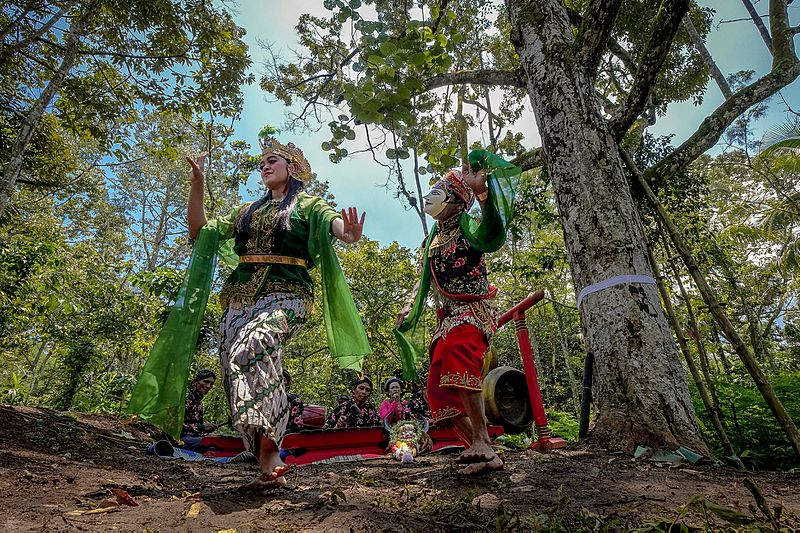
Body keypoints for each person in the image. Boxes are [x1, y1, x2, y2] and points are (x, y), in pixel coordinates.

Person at [128, 126, 371, 491]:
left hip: (287, 296)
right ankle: (262, 456)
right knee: (232, 370)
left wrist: (346, 233)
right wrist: (198, 182)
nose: (264, 167)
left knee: (250, 350)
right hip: (239, 301)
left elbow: (332, 221)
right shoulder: (246, 211)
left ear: (292, 167)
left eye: (272, 160)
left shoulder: (308, 205)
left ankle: (272, 449)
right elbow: (200, 232)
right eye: (261, 164)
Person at [394, 150, 519, 475]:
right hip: (446, 315)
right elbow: (423, 279)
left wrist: (481, 193)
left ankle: (481, 440)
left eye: (438, 192)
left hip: (473, 309)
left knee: (457, 354)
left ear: (456, 200)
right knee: (436, 391)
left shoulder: (469, 227)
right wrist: (410, 305)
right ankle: (483, 450)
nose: (431, 197)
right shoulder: (432, 239)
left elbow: (492, 232)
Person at [180, 369, 225, 451]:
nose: (209, 386)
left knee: (222, 441)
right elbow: (173, 425)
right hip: (179, 438)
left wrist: (207, 429)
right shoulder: (183, 398)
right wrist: (202, 427)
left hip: (194, 437)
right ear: (195, 382)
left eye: (211, 384)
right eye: (206, 381)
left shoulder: (199, 402)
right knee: (209, 444)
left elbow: (196, 427)